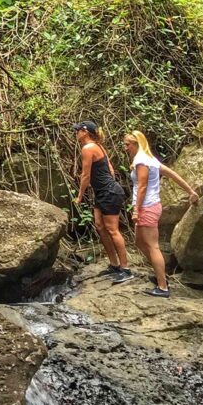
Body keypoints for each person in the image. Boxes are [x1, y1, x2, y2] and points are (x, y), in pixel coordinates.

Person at [124, 130, 200, 298]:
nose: (125, 147)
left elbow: (142, 186)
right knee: (139, 242)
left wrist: (136, 209)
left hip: (147, 207)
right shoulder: (150, 159)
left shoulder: (142, 161)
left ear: (137, 144)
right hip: (151, 205)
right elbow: (172, 174)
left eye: (128, 144)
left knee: (152, 246)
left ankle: (163, 286)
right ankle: (161, 275)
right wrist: (190, 192)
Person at [73, 121, 133, 284]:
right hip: (104, 192)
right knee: (100, 226)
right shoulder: (97, 146)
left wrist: (80, 196)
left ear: (85, 132)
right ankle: (114, 264)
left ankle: (125, 269)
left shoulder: (88, 148)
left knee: (113, 230)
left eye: (78, 130)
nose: (76, 133)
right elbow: (111, 170)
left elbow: (85, 175)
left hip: (108, 192)